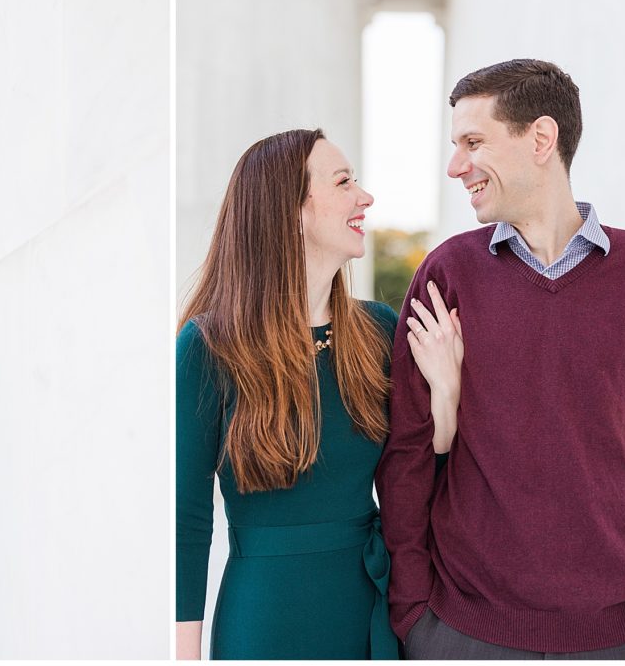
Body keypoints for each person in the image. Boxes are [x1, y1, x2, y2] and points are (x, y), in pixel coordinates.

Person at [376, 59, 625, 659]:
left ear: (541, 139)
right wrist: (416, 615)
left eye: (473, 142)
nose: (455, 166)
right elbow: (406, 455)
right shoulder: (449, 274)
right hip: (465, 635)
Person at [176, 129, 461, 659]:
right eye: (344, 181)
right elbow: (186, 521)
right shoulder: (209, 346)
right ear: (291, 210)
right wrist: (183, 655)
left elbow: (422, 476)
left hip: (372, 609)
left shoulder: (378, 330)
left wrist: (446, 391)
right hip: (265, 620)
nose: (365, 196)